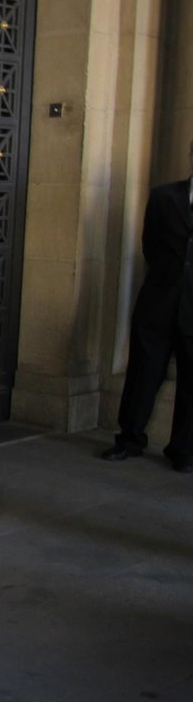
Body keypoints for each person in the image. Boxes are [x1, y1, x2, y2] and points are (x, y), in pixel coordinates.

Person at [100, 139, 193, 472]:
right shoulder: (164, 197)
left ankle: (183, 451)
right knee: (143, 375)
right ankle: (129, 440)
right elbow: (149, 245)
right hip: (158, 304)